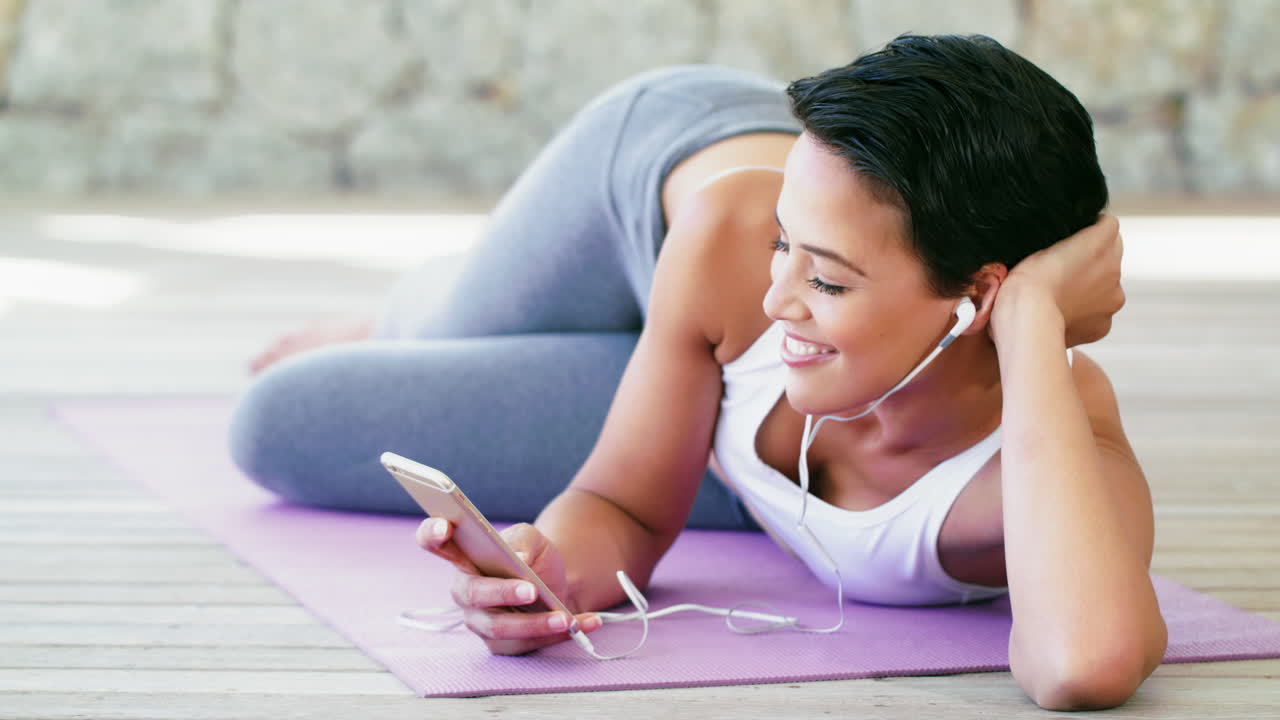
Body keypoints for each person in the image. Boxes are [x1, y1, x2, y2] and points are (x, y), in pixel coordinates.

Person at [228, 34, 1167, 710]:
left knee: (286, 423)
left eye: (827, 280)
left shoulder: (1048, 455)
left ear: (980, 299)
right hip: (665, 170)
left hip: (743, 326)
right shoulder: (736, 245)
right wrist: (554, 564)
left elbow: (1082, 665)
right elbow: (623, 501)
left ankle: (669, 379)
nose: (776, 299)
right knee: (439, 329)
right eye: (785, 252)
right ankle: (405, 311)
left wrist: (1034, 317)